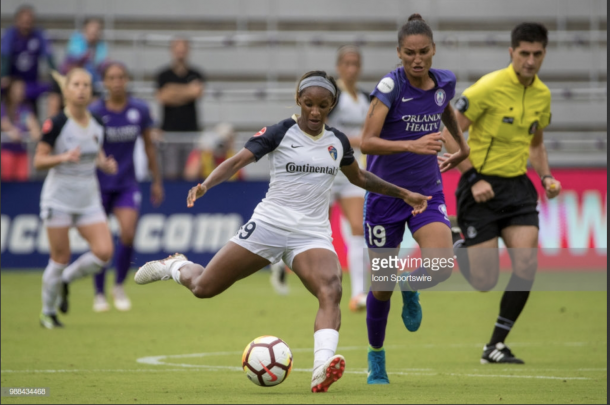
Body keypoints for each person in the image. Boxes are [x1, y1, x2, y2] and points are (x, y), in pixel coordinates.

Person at [134, 71, 432, 393]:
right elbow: (237, 162)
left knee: (331, 289)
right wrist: (206, 184)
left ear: (331, 105)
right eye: (308, 104)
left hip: (312, 234)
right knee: (204, 287)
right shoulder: (280, 132)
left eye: (322, 105)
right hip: (269, 226)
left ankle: (321, 368)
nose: (315, 112)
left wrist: (404, 193)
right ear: (298, 101)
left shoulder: (337, 142)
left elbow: (360, 177)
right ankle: (176, 265)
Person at [442, 22, 561, 364]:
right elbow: (450, 134)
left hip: (517, 188)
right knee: (484, 281)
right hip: (478, 185)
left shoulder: (543, 95)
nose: (530, 60)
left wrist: (547, 176)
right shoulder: (488, 87)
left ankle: (495, 345)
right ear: (511, 53)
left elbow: (536, 143)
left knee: (526, 263)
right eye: (524, 53)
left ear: (544, 54)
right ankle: (458, 242)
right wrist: (473, 177)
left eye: (537, 54)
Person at [360, 14, 470, 384]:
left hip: (426, 192)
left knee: (439, 267)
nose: (417, 59)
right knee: (380, 287)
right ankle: (377, 358)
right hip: (385, 195)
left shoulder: (445, 82)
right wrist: (412, 143)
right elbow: (366, 141)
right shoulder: (390, 87)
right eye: (410, 53)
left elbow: (446, 109)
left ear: (433, 50)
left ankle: (411, 284)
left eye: (424, 52)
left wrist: (462, 146)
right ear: (399, 53)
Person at [35, 68, 117, 329]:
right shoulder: (56, 123)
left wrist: (105, 164)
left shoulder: (97, 123)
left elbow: (96, 153)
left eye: (86, 85)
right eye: (76, 84)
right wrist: (62, 157)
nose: (81, 89)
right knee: (60, 257)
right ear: (66, 90)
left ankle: (66, 279)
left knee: (104, 253)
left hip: (88, 199)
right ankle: (48, 313)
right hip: (58, 199)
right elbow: (38, 161)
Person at [89, 62, 164, 312]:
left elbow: (149, 147)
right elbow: (89, 146)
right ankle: (99, 293)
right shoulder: (95, 111)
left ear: (127, 80)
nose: (117, 81)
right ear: (105, 82)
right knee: (102, 243)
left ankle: (118, 285)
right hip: (98, 185)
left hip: (127, 183)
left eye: (121, 77)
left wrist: (156, 180)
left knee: (129, 233)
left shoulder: (139, 110)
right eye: (112, 77)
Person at [156, 38, 205, 179]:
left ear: (188, 51)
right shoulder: (163, 75)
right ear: (172, 50)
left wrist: (172, 91)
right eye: (177, 48)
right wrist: (188, 91)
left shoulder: (196, 73)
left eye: (183, 48)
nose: (180, 52)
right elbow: (163, 97)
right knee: (170, 175)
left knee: (191, 176)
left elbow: (197, 93)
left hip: (191, 133)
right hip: (169, 133)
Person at [1, 5, 56, 115]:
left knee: (55, 89)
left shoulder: (39, 34)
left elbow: (48, 56)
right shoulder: (10, 34)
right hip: (12, 82)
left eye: (29, 21)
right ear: (17, 21)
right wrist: (4, 75)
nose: (26, 24)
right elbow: (5, 56)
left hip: (31, 81)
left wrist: (55, 76)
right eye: (23, 21)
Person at [1, 78, 41, 181]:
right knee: (7, 183)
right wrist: (12, 131)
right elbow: (4, 123)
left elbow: (32, 124)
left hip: (22, 152)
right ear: (10, 91)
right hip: (7, 152)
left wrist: (35, 131)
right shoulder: (3, 107)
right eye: (17, 89)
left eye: (22, 89)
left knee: (22, 183)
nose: (19, 92)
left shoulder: (25, 108)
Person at [62, 17, 108, 93]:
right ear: (85, 29)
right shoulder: (76, 40)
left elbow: (101, 63)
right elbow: (73, 59)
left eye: (97, 29)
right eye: (92, 28)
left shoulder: (101, 45)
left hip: (93, 80)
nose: (94, 31)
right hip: (72, 76)